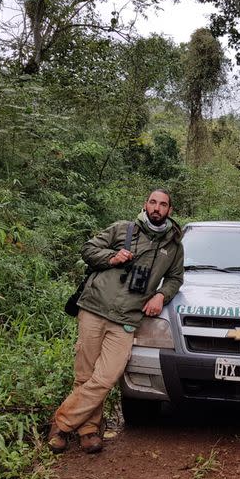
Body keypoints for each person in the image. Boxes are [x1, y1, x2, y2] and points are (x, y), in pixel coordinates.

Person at [48, 189, 184, 454]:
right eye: (153, 202)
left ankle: (61, 424)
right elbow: (88, 249)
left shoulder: (174, 246)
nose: (157, 208)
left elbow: (175, 279)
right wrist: (111, 258)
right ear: (145, 204)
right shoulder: (124, 229)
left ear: (170, 210)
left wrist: (160, 295)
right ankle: (89, 431)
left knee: (107, 376)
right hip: (95, 308)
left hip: (127, 317)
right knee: (85, 374)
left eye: (163, 204)